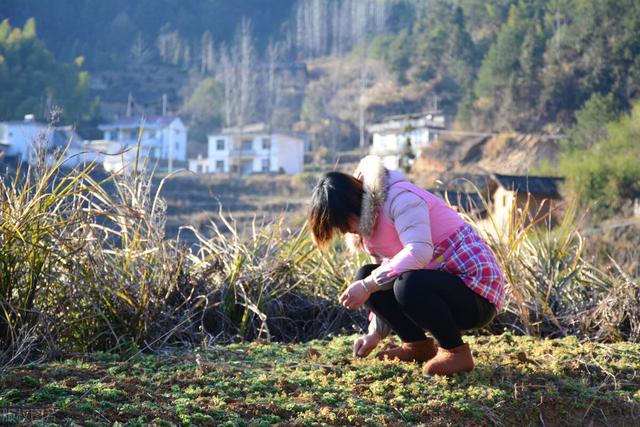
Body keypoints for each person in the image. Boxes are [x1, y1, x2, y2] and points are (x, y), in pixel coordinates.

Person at [308, 155, 505, 376]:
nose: (345, 231)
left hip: (477, 294)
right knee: (367, 274)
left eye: (343, 223)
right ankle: (417, 347)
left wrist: (366, 286)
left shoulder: (401, 199)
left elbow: (419, 252)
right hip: (439, 286)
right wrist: (374, 334)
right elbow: (382, 277)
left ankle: (456, 352)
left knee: (406, 284)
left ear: (352, 204)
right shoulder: (369, 225)